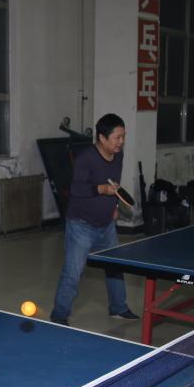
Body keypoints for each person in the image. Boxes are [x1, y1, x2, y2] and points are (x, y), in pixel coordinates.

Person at [50, 113, 137, 326]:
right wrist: (102, 189)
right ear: (102, 137)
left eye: (123, 136)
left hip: (107, 224)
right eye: (117, 137)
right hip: (81, 225)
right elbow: (76, 190)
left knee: (115, 267)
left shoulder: (118, 155)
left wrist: (114, 206)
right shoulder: (85, 159)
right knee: (73, 272)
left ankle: (118, 307)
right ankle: (59, 315)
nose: (121, 142)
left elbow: (115, 183)